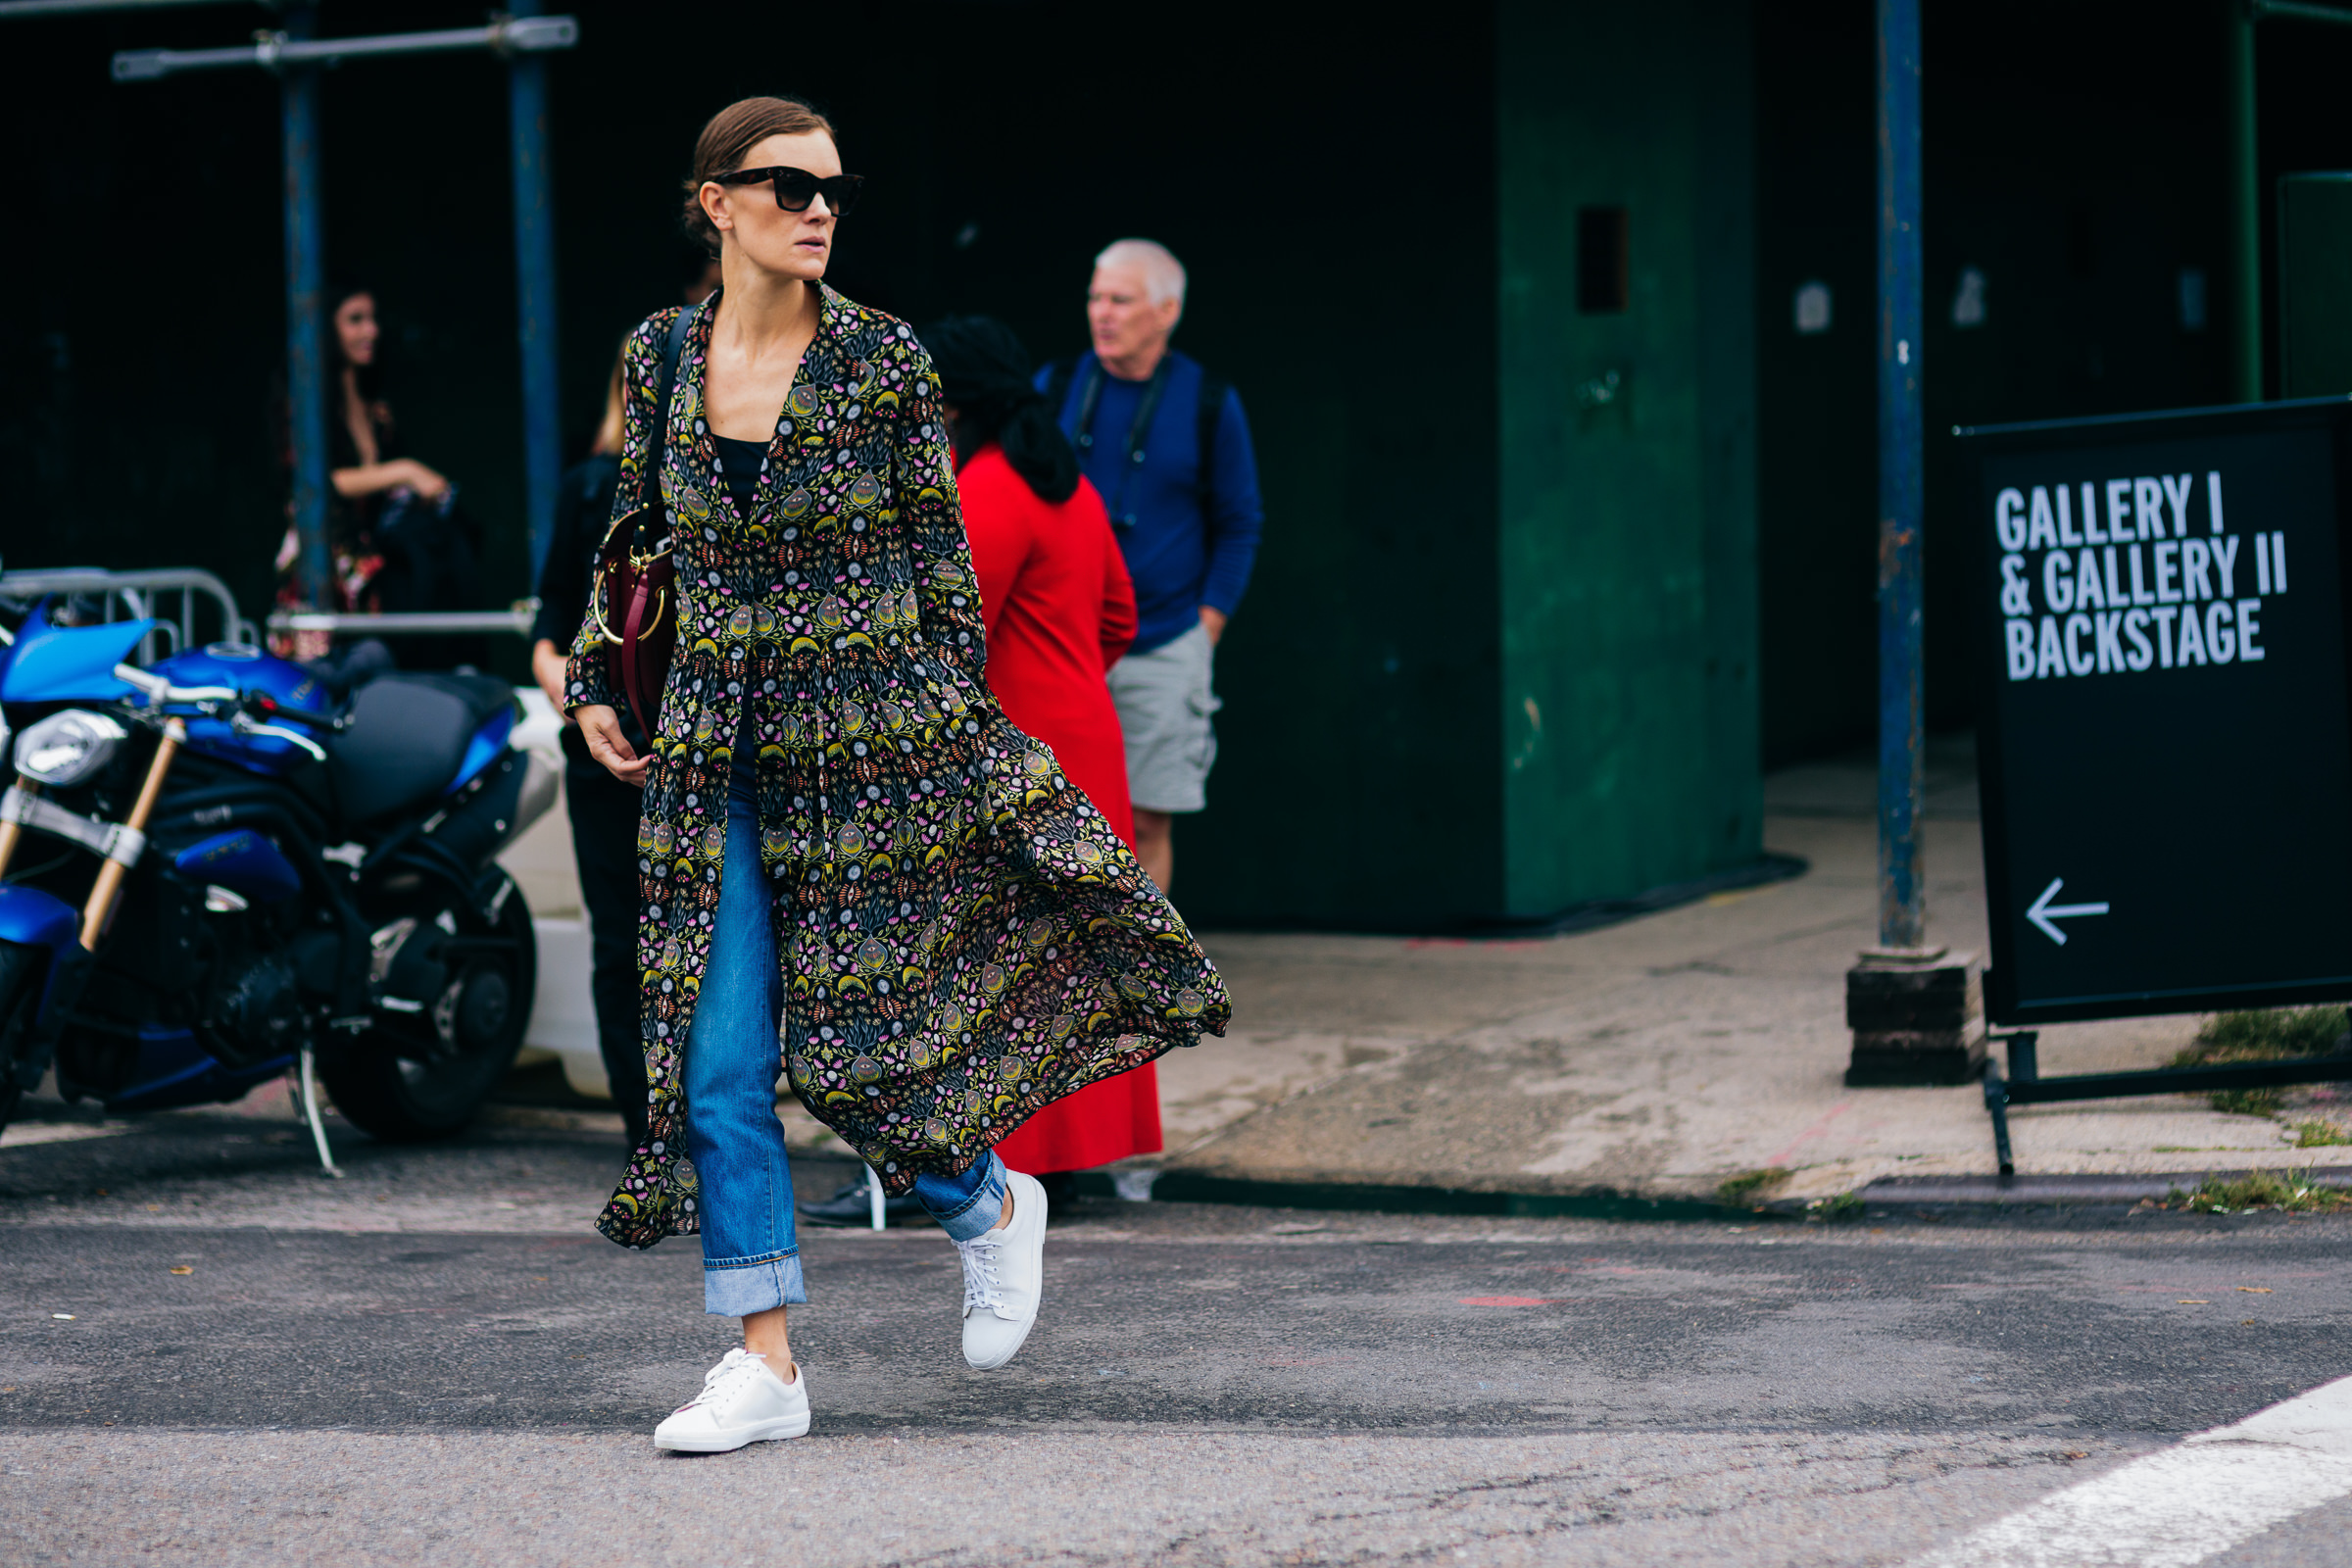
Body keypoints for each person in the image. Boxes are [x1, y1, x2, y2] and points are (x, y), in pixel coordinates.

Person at [564, 96, 1230, 1454]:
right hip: (710, 765)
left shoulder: (880, 361)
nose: (818, 208)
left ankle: (990, 1206)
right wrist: (591, 679)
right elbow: (633, 546)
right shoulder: (660, 353)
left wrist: (953, 759)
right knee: (718, 1065)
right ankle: (767, 1365)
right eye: (787, 185)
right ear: (717, 203)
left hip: (862, 756)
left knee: (861, 1056)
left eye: (833, 189)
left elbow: (941, 581)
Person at [925, 315, 1163, 1206]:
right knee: (1084, 950)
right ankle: (1085, 1157)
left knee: (1007, 953)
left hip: (1014, 752)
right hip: (1086, 739)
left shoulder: (987, 487)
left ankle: (1010, 1167)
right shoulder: (1071, 486)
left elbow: (953, 636)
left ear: (953, 403)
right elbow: (1119, 619)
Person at [1040, 239, 1263, 894]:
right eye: (1095, 297)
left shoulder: (1209, 401)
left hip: (1164, 642)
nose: (1102, 313)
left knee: (1144, 821)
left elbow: (1240, 521)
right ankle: (1067, 981)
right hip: (1063, 646)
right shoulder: (1053, 388)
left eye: (1121, 300)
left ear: (1166, 312)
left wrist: (1207, 628)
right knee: (1054, 821)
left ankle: (1143, 985)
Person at [530, 341, 649, 1147]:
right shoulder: (588, 487)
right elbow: (545, 635)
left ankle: (703, 1129)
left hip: (702, 758)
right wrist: (584, 706)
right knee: (622, 945)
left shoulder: (729, 489)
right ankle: (648, 1137)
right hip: (603, 757)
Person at [272, 284, 481, 668]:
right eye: (355, 320)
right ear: (326, 330)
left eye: (373, 319)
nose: (371, 330)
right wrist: (403, 471)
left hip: (378, 565)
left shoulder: (375, 409)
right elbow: (314, 484)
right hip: (327, 563)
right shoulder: (304, 403)